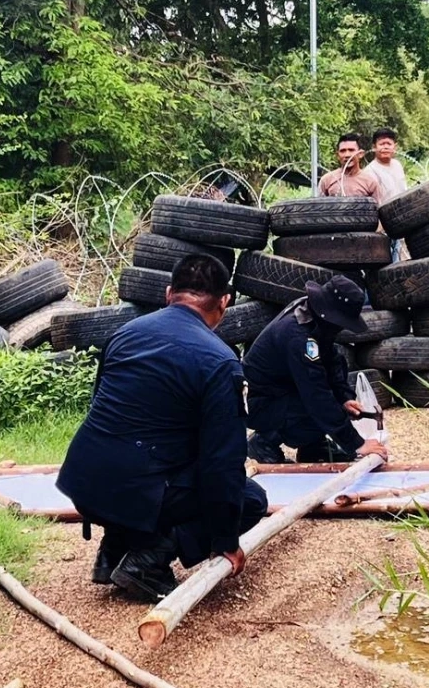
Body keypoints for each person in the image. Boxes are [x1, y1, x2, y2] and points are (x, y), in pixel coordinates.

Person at [56, 255, 269, 602]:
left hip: (83, 484)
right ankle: (148, 560)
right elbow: (223, 462)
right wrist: (225, 540)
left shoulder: (124, 334)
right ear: (224, 303)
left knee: (144, 456)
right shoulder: (219, 361)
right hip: (134, 489)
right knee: (250, 499)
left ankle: (115, 549)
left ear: (169, 293)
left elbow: (102, 408)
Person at [243, 275, 390, 465]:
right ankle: (264, 443)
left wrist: (345, 397)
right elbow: (316, 393)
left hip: (285, 390)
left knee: (334, 404)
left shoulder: (314, 318)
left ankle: (314, 446)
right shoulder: (297, 335)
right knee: (320, 406)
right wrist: (356, 443)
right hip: (260, 402)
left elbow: (332, 361)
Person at [320, 132, 382, 202]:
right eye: (343, 151)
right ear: (337, 155)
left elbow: (378, 207)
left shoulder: (370, 182)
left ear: (360, 154)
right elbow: (318, 206)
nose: (347, 155)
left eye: (351, 150)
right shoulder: (327, 180)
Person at [363, 127, 408, 205]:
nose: (386, 147)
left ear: (395, 147)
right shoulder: (369, 171)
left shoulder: (397, 164)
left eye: (389, 144)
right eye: (382, 144)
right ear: (374, 147)